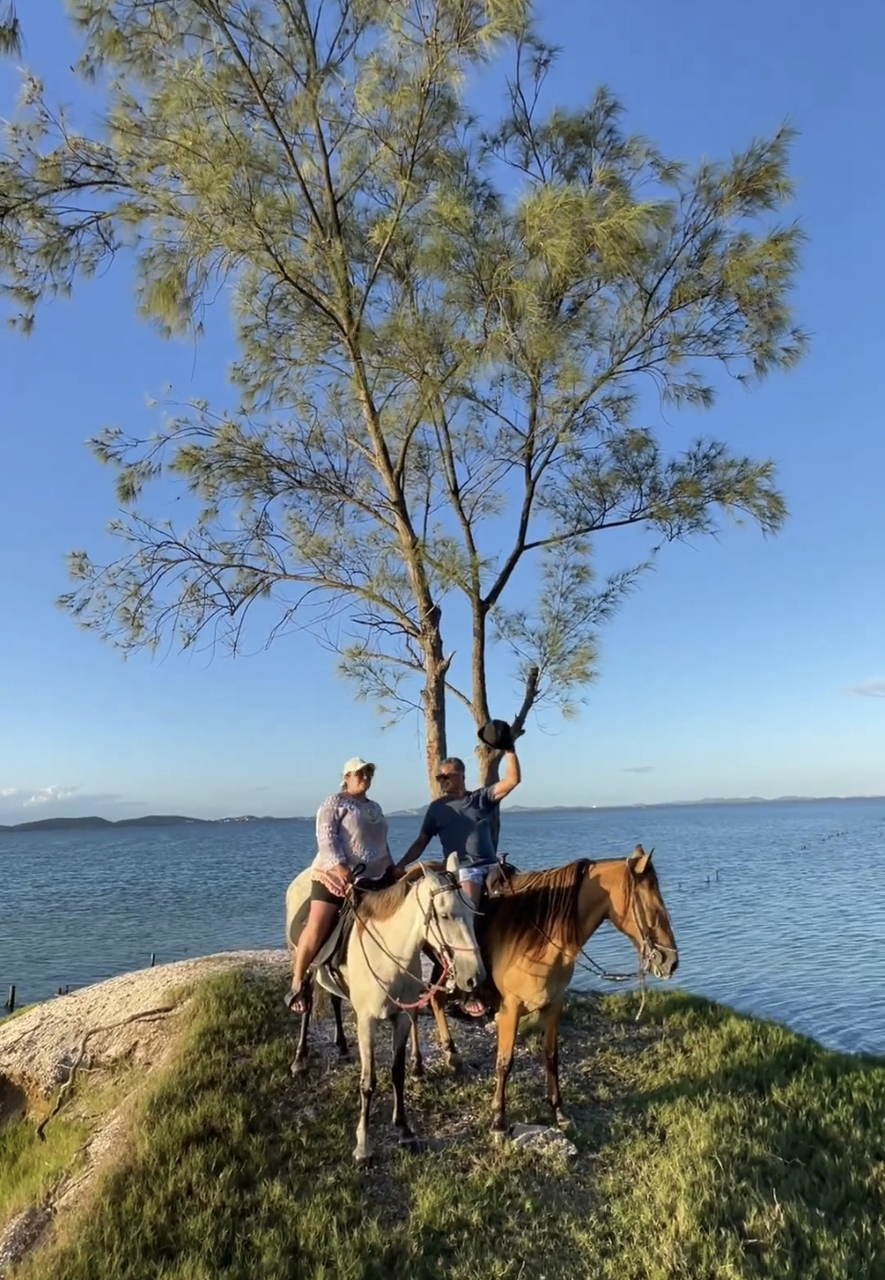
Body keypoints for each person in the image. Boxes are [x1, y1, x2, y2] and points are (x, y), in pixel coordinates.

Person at [395, 721, 521, 1015]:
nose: (442, 782)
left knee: (522, 900)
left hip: (492, 865)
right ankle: (467, 991)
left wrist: (509, 749)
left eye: (446, 777)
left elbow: (513, 780)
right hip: (464, 871)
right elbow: (421, 842)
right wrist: (400, 866)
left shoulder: (480, 798)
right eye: (440, 778)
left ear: (460, 776)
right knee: (468, 921)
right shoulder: (437, 809)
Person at [286, 756, 396, 1014]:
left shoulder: (375, 808)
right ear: (346, 778)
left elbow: (381, 842)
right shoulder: (334, 803)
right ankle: (298, 982)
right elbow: (326, 837)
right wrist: (339, 866)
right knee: (317, 924)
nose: (365, 777)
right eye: (359, 774)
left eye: (368, 773)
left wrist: (391, 866)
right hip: (334, 875)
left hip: (374, 877)